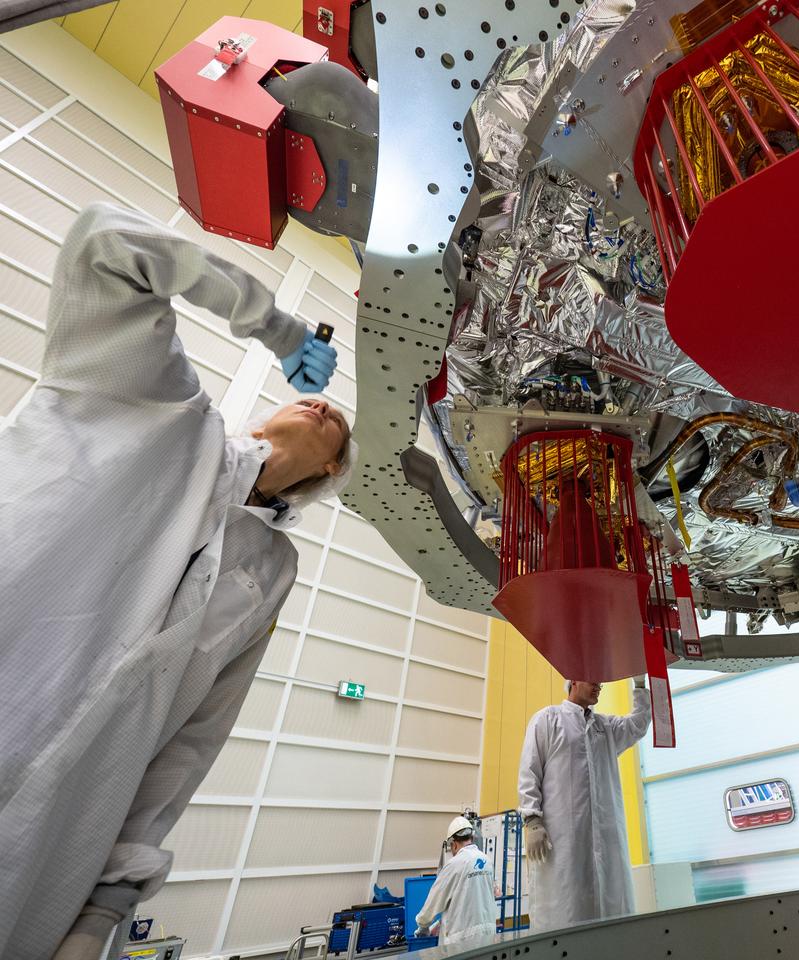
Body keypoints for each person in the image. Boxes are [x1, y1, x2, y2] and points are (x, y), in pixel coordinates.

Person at [0, 203, 350, 960]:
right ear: (264, 412)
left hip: (47, 857)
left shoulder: (271, 572)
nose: (325, 408)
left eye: (340, 431)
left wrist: (101, 913)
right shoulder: (156, 406)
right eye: (307, 398)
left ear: (330, 471)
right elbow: (103, 240)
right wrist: (275, 326)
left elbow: (193, 740)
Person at [517, 677, 652, 932]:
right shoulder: (548, 720)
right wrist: (532, 819)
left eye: (600, 682)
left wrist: (640, 683)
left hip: (606, 843)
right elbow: (529, 771)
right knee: (565, 911)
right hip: (562, 844)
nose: (599, 685)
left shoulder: (606, 728)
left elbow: (639, 723)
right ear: (574, 680)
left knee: (609, 913)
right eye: (592, 680)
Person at [414, 816, 499, 952]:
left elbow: (434, 902)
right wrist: (439, 923)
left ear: (453, 843)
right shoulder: (487, 861)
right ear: (471, 838)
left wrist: (423, 925)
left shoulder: (454, 864)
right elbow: (471, 900)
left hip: (461, 942)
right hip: (487, 936)